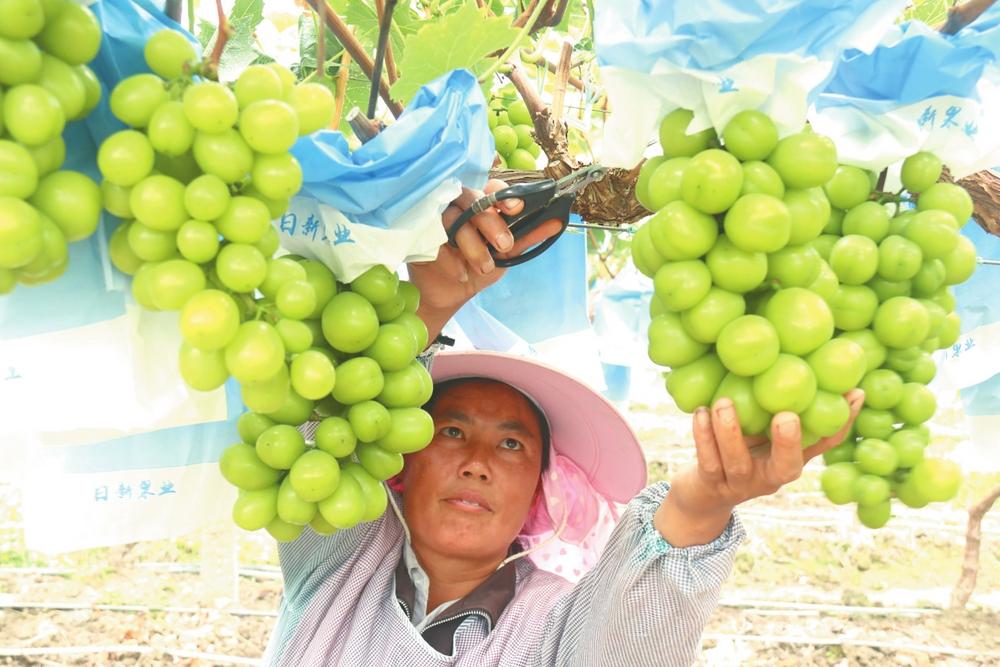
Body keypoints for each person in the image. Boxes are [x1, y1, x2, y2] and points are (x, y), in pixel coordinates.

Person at [264, 182, 864, 666]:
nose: (477, 462)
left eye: (511, 444)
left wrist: (702, 504)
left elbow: (625, 642)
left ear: (540, 494)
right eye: (450, 431)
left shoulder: (556, 627)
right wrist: (430, 304)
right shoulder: (340, 564)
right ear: (399, 459)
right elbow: (326, 434)